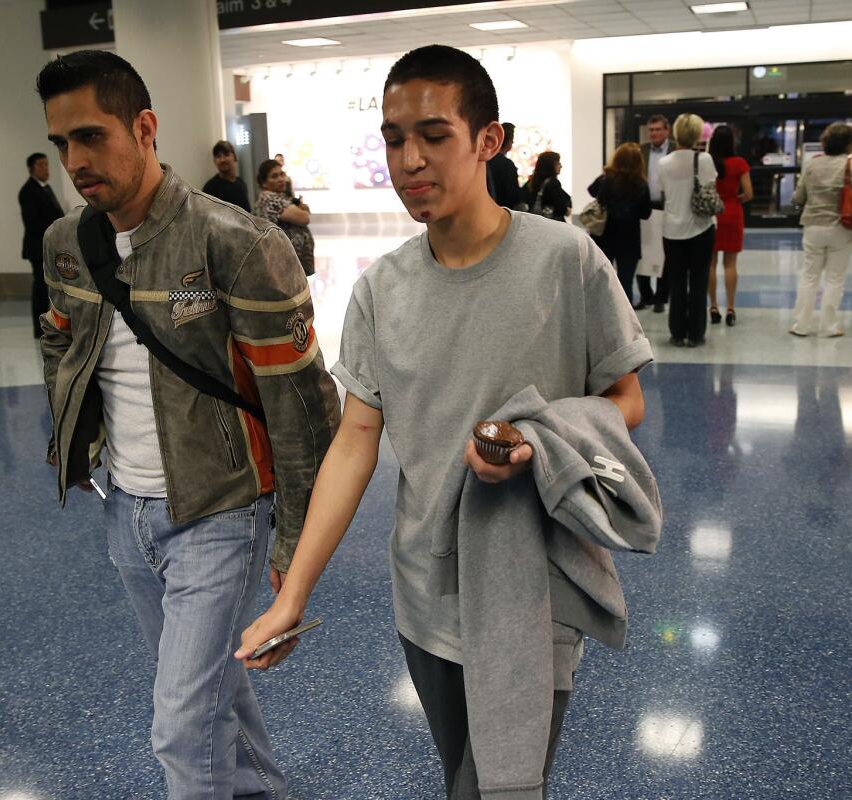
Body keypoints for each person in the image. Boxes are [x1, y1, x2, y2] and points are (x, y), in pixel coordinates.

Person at [235, 45, 659, 800]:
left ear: (488, 141)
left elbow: (626, 400)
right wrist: (294, 592)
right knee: (460, 769)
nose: (409, 160)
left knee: (498, 785)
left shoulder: (567, 261)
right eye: (395, 139)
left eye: (433, 135)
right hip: (426, 591)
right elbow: (355, 443)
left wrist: (538, 440)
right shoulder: (381, 290)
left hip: (534, 584)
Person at [35, 51, 340, 799]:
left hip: (220, 512)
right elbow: (58, 338)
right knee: (213, 696)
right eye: (61, 144)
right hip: (127, 510)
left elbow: (304, 409)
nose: (76, 161)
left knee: (179, 726)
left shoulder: (239, 245)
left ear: (144, 128)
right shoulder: (67, 244)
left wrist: (296, 544)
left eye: (91, 136)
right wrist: (77, 440)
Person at [790, 122, 852, 337]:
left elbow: (798, 197)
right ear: (848, 144)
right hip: (841, 227)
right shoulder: (851, 166)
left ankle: (801, 325)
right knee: (835, 278)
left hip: (813, 226)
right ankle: (829, 327)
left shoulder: (812, 164)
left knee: (809, 276)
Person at [657, 112, 718, 347]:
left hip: (672, 230)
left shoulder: (664, 162)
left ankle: (677, 332)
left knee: (677, 282)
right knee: (699, 281)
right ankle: (695, 333)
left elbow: (663, 189)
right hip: (701, 228)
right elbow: (711, 186)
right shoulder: (704, 160)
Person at [587, 142, 653, 302]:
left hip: (604, 235)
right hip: (629, 238)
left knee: (601, 280)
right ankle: (624, 321)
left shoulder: (606, 179)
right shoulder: (641, 184)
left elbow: (591, 191)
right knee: (625, 282)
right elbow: (646, 214)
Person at [707, 125, 752, 327]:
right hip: (733, 212)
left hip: (712, 215)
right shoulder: (739, 163)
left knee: (711, 264)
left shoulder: (708, 163)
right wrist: (736, 199)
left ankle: (714, 306)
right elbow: (749, 194)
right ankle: (731, 308)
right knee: (731, 264)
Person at [18, 151, 65, 338]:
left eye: (47, 165)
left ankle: (55, 322)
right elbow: (32, 221)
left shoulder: (46, 188)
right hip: (37, 247)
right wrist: (56, 226)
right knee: (40, 286)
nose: (46, 169)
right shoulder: (28, 191)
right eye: (41, 166)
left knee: (52, 286)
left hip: (50, 246)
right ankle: (38, 327)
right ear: (31, 169)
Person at [254, 158, 315, 276]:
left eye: (282, 174)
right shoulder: (269, 199)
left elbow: (306, 209)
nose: (281, 179)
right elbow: (304, 218)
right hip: (283, 267)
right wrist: (301, 209)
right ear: (264, 183)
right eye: (274, 176)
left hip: (290, 267)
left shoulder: (280, 196)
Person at [640, 114, 674, 312]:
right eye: (651, 130)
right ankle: (646, 296)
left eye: (658, 129)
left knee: (665, 253)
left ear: (666, 131)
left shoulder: (675, 149)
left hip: (667, 207)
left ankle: (662, 296)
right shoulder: (641, 150)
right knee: (643, 251)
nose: (654, 133)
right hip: (644, 206)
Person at [520, 151, 571, 223]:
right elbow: (560, 207)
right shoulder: (553, 183)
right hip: (551, 224)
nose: (561, 166)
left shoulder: (531, 182)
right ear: (550, 165)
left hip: (533, 222)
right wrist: (566, 210)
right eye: (557, 163)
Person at [201, 139, 251, 212]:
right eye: (218, 156)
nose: (222, 160)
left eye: (226, 155)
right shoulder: (210, 188)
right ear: (214, 161)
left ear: (235, 157)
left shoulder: (241, 183)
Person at [488, 122, 520, 208]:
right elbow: (513, 196)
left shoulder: (484, 160)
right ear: (509, 141)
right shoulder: (507, 165)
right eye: (512, 140)